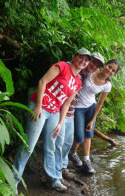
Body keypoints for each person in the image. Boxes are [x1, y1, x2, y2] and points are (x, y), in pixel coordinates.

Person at [12, 48, 91, 192]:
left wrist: (61, 122)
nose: (83, 61)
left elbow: (66, 104)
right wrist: (38, 105)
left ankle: (53, 180)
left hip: (55, 112)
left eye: (86, 60)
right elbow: (42, 81)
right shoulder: (62, 66)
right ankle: (13, 182)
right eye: (81, 57)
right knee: (28, 145)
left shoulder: (78, 82)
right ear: (74, 57)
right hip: (40, 107)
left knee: (51, 147)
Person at [53, 52, 104, 184]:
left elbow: (100, 81)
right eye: (92, 61)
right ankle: (55, 174)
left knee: (68, 141)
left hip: (72, 111)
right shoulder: (72, 68)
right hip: (61, 109)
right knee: (59, 142)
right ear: (87, 60)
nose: (93, 66)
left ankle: (63, 167)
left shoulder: (88, 74)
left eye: (96, 65)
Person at [68, 59, 120, 173]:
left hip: (91, 107)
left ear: (114, 74)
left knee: (88, 134)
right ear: (105, 65)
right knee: (79, 136)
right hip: (78, 107)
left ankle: (86, 161)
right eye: (109, 67)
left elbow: (100, 103)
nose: (110, 70)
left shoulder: (107, 85)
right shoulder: (92, 71)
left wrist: (93, 120)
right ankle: (72, 153)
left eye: (113, 70)